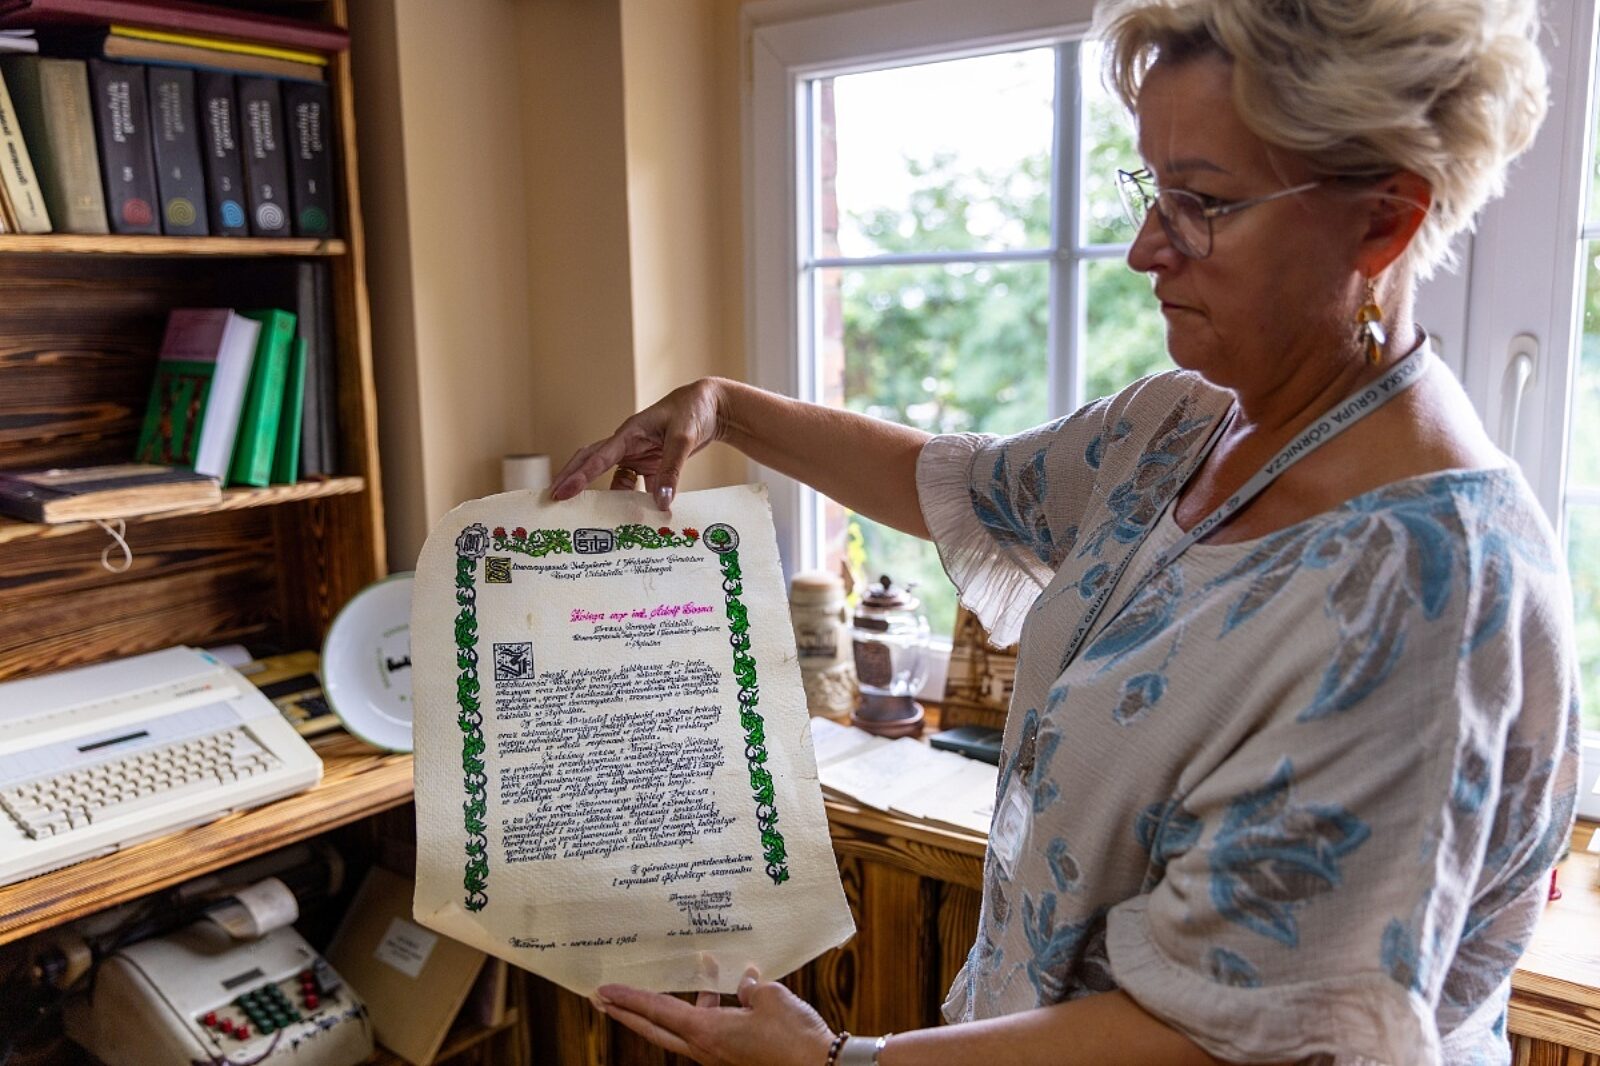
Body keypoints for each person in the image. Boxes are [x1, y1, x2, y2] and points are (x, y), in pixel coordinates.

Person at [550, 0, 1580, 1061]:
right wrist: (725, 408)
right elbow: (953, 482)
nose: (1144, 250)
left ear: (1384, 221)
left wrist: (837, 1062)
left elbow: (1214, 1041)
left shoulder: (1429, 596)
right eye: (1152, 190)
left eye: (1202, 203)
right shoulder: (1182, 424)